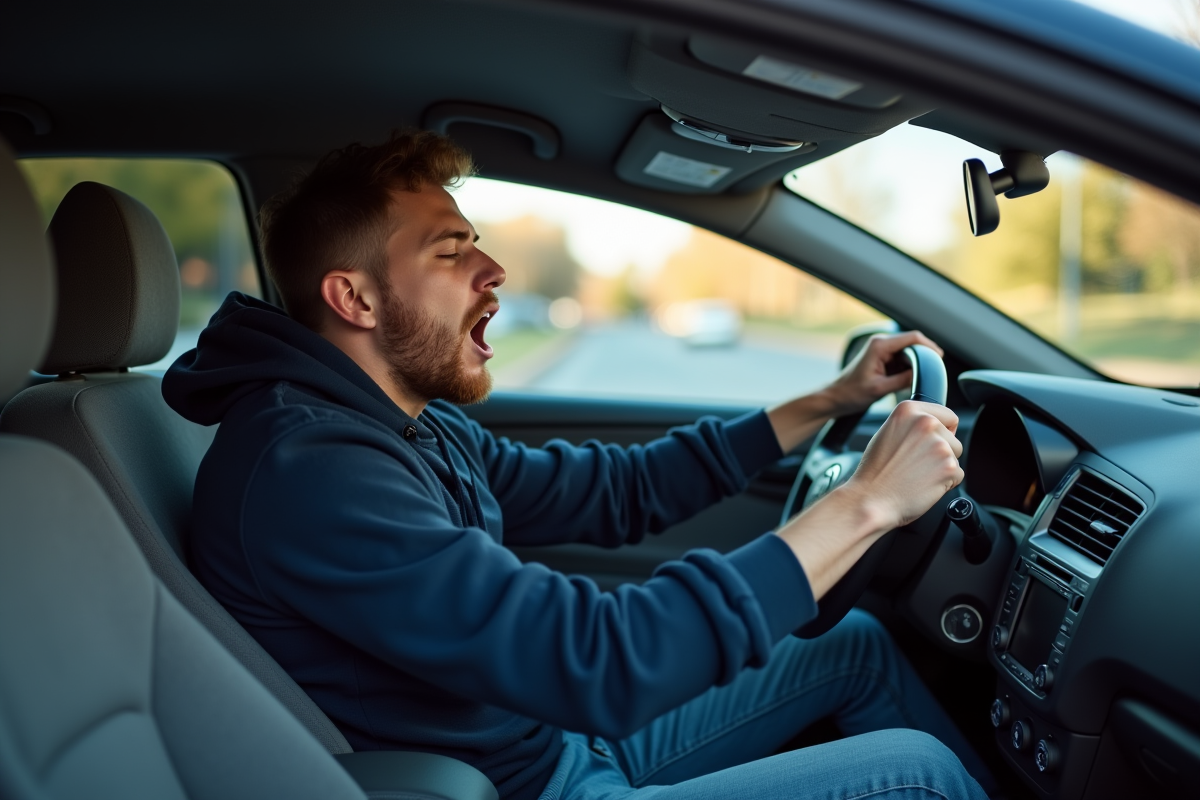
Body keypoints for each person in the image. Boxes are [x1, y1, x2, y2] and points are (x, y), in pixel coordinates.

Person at [163, 130, 994, 800]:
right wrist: (867, 504)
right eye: (452, 253)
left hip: (553, 736)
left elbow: (612, 492)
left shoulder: (407, 423)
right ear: (357, 299)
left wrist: (827, 400)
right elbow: (593, 657)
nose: (494, 274)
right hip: (521, 783)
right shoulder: (311, 470)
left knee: (850, 642)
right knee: (917, 776)